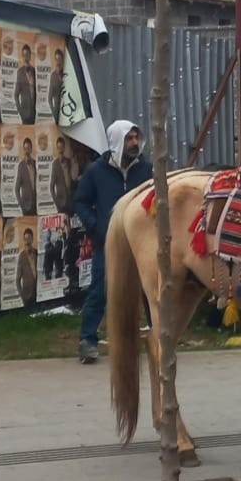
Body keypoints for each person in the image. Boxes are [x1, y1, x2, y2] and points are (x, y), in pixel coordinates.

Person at [73, 119, 152, 364]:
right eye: (129, 138)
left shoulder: (146, 170)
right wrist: (96, 227)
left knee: (150, 290)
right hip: (108, 242)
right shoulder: (96, 171)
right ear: (117, 140)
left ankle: (160, 336)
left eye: (136, 138)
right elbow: (80, 202)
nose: (134, 143)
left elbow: (157, 198)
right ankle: (88, 341)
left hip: (140, 242)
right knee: (100, 290)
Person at [51, 136, 78, 213]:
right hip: (61, 202)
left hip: (71, 200)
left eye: (62, 147)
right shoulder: (55, 164)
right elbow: (51, 186)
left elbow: (74, 177)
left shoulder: (69, 161)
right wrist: (56, 202)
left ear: (64, 147)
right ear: (57, 148)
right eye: (59, 147)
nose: (60, 150)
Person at [16, 43, 38, 125]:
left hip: (34, 112)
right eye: (24, 55)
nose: (26, 57)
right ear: (22, 56)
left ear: (30, 56)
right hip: (24, 113)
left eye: (27, 55)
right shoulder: (19, 72)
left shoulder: (34, 71)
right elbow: (16, 94)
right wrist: (20, 110)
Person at [17, 135, 39, 216]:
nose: (27, 151)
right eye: (25, 148)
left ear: (31, 149)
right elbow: (16, 188)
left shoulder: (35, 163)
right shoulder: (21, 166)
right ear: (23, 150)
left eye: (28, 148)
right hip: (25, 206)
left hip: (36, 204)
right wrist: (21, 204)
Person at [18, 227, 39, 307]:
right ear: (23, 240)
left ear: (32, 239)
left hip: (38, 293)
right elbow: (18, 279)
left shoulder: (37, 253)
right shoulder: (21, 256)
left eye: (29, 239)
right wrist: (23, 296)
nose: (27, 242)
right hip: (27, 296)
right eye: (25, 239)